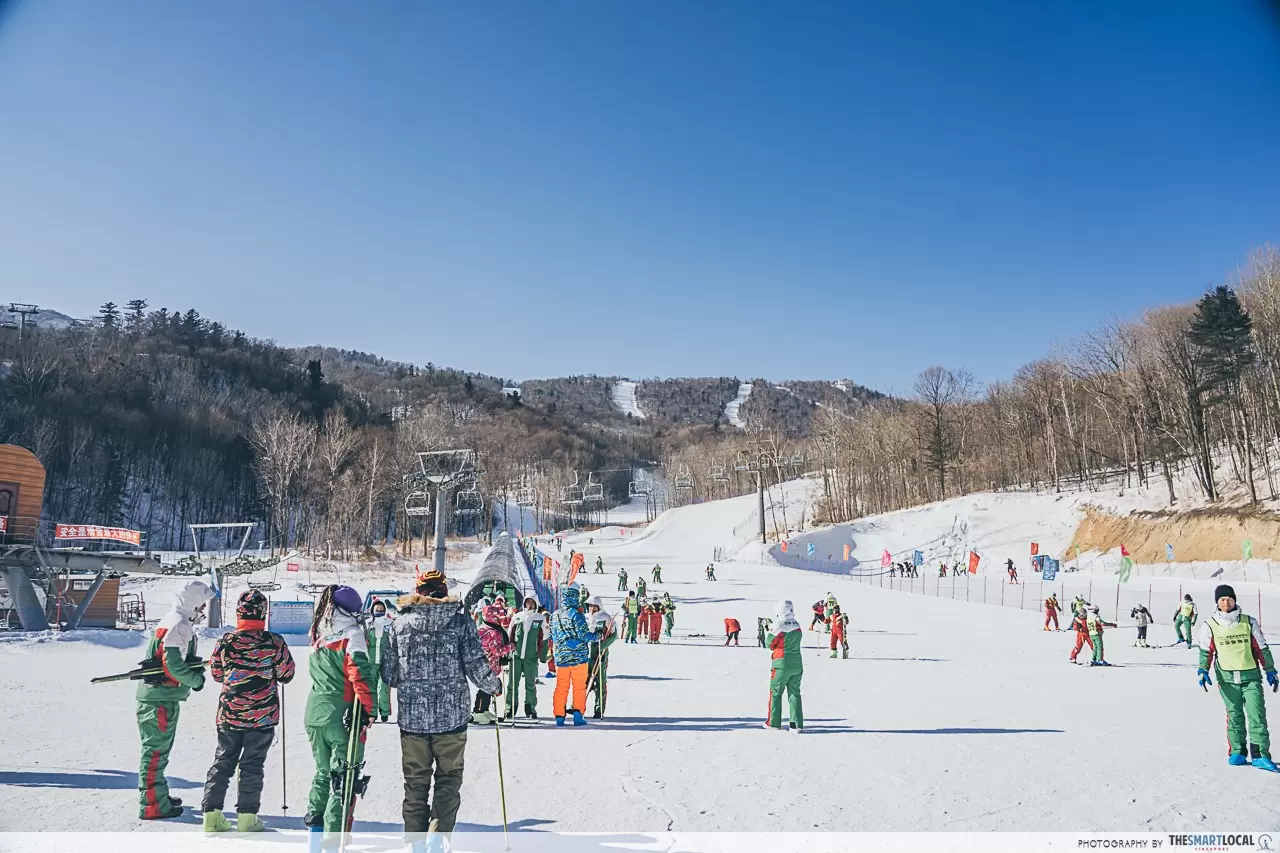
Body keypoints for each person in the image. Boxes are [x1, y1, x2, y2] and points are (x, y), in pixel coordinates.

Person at [383, 568, 503, 852]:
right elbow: (475, 664)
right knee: (448, 781)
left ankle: (415, 846)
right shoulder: (460, 623)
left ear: (418, 591)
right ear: (443, 589)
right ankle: (437, 843)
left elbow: (390, 675)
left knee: (415, 784)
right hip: (452, 719)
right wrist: (494, 685)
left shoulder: (398, 625)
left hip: (413, 720)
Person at [202, 590, 296, 833]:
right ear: (263, 613)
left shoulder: (225, 641)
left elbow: (217, 674)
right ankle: (247, 817)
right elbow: (287, 674)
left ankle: (211, 816)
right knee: (252, 765)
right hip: (262, 715)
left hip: (230, 714)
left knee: (223, 761)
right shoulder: (274, 642)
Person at [136, 580, 214, 820]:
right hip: (160, 697)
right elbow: (173, 666)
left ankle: (158, 795)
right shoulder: (179, 624)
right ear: (192, 603)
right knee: (155, 752)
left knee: (160, 750)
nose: (202, 610)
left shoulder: (175, 620)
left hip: (162, 696)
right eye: (201, 605)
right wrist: (195, 680)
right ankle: (151, 804)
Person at [304, 585, 375, 841]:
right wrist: (369, 709)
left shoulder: (319, 633)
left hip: (315, 712)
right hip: (343, 714)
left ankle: (315, 835)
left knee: (323, 773)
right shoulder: (352, 635)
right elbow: (360, 674)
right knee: (343, 777)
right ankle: (334, 838)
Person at [1196, 584, 1278, 771]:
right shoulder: (1210, 624)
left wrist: (1270, 670)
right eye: (1222, 599)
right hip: (1226, 678)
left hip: (1251, 676)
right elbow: (1206, 650)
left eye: (1229, 599)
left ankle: (1260, 755)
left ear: (1234, 600)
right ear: (1217, 602)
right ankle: (1238, 752)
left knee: (1257, 715)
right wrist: (1203, 669)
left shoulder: (1249, 622)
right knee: (1234, 715)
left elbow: (1261, 648)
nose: (1226, 602)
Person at [548, 583, 600, 726]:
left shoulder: (554, 615)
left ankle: (559, 716)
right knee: (579, 686)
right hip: (579, 658)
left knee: (561, 687)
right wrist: (597, 636)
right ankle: (578, 714)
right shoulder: (577, 615)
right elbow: (584, 635)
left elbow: (552, 635)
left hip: (561, 657)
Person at [472, 601, 514, 724]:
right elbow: (497, 651)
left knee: (487, 688)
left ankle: (484, 710)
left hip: (483, 663)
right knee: (486, 688)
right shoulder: (493, 632)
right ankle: (478, 712)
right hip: (489, 664)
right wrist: (511, 647)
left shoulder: (482, 628)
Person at [765, 600, 804, 731]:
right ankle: (796, 724)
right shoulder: (797, 624)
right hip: (797, 663)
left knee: (775, 692)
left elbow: (769, 643)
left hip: (781, 663)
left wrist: (768, 631)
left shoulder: (778, 624)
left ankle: (773, 723)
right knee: (795, 693)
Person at [508, 597, 547, 719]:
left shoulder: (540, 619)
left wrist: (543, 655)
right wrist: (509, 650)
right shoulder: (518, 616)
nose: (529, 605)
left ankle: (530, 707)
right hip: (516, 656)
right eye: (527, 602)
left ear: (536, 603)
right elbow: (510, 633)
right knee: (512, 683)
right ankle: (511, 707)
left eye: (532, 602)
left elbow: (544, 638)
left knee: (530, 683)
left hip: (531, 656)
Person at [586, 597, 616, 719]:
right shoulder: (585, 617)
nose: (592, 608)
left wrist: (602, 646)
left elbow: (613, 635)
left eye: (594, 606)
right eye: (590, 605)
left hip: (599, 654)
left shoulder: (605, 617)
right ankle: (578, 707)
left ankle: (599, 709)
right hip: (585, 654)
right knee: (582, 682)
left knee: (600, 682)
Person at [366, 599, 394, 723]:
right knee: (370, 687)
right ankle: (372, 712)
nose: (379, 611)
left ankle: (384, 711)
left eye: (381, 609)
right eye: (377, 609)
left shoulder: (389, 623)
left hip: (385, 660)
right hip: (370, 661)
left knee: (383, 688)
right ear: (372, 610)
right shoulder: (367, 624)